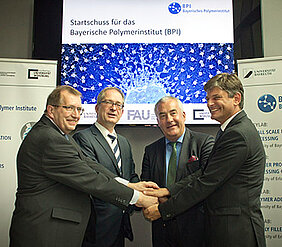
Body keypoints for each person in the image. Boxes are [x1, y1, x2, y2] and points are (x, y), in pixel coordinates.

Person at [9, 85, 158, 247]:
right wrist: (139, 198)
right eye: (69, 108)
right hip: (44, 232)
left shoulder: (60, 135)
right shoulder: (49, 138)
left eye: (79, 109)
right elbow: (91, 179)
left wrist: (129, 185)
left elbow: (90, 165)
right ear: (51, 110)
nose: (75, 115)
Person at [144, 73, 266, 247]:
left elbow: (207, 181)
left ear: (236, 98)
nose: (209, 104)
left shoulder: (237, 134)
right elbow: (205, 173)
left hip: (236, 232)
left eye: (216, 97)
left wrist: (163, 210)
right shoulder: (229, 130)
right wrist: (168, 191)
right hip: (226, 230)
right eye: (208, 98)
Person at [141, 96, 214, 247]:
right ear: (158, 122)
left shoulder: (205, 143)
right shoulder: (150, 151)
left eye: (173, 113)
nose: (169, 119)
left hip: (196, 229)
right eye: (163, 115)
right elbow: (147, 186)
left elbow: (205, 178)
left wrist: (167, 193)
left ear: (184, 116)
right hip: (162, 230)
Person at [73, 87, 139, 247]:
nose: (113, 108)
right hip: (96, 227)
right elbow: (95, 178)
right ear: (97, 108)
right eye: (108, 102)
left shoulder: (124, 142)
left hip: (120, 224)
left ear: (122, 111)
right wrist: (139, 196)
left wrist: (146, 191)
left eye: (118, 105)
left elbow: (130, 177)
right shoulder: (83, 138)